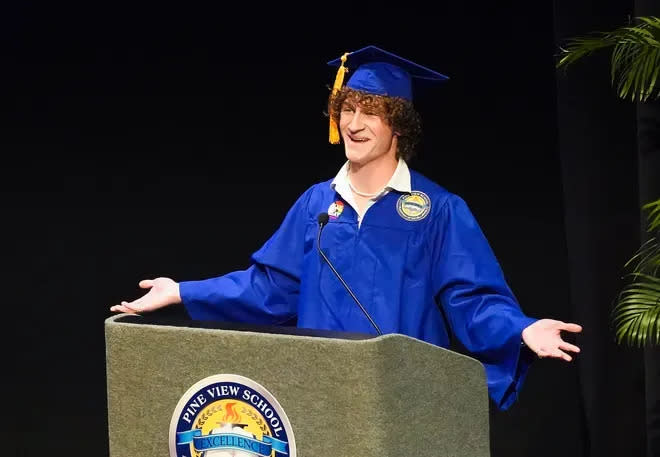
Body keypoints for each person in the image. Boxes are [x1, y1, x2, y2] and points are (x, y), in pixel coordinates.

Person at [110, 45, 582, 410]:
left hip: (404, 399)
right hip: (319, 396)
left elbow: (473, 302)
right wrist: (182, 292)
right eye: (347, 108)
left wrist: (521, 329)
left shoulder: (438, 210)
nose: (354, 123)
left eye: (370, 111)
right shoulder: (316, 203)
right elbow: (268, 290)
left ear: (399, 125)